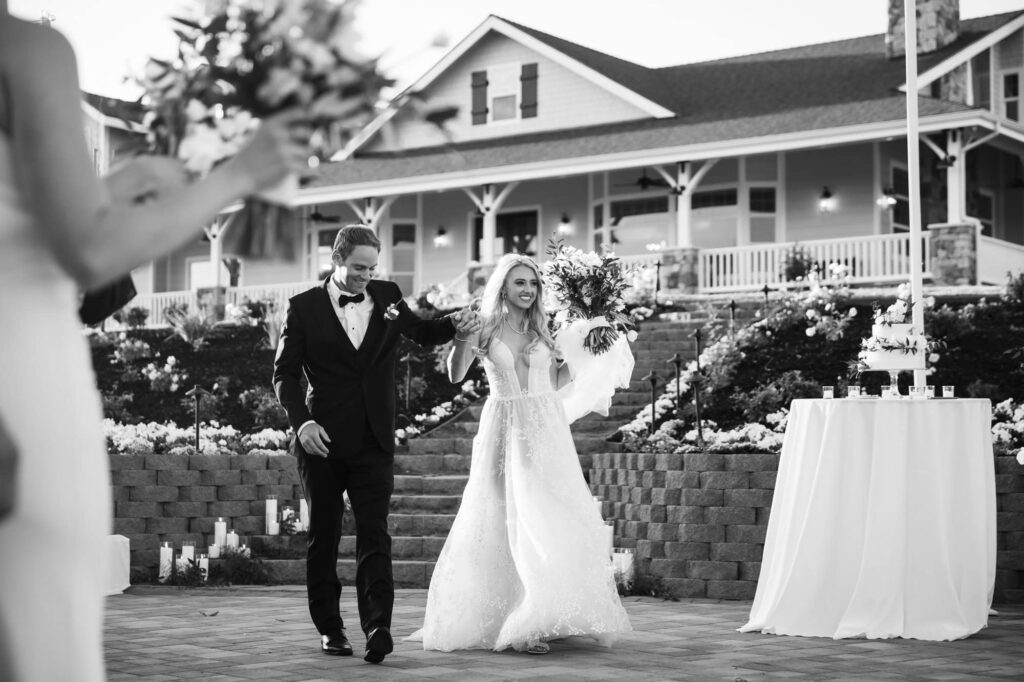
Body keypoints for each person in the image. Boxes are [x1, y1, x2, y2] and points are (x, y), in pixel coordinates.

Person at [0, 8, 311, 681]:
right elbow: (90, 250)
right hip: (21, 376)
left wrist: (107, 188)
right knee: (40, 626)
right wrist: (235, 175)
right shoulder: (26, 48)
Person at [272, 224, 479, 664]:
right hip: (321, 442)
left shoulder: (387, 296)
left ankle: (378, 626)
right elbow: (284, 375)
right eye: (358, 267)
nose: (366, 275)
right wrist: (302, 423)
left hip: (374, 440)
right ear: (336, 260)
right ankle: (330, 629)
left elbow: (421, 332)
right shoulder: (303, 308)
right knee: (324, 536)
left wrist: (455, 323)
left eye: (372, 267)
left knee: (375, 533)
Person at [410, 253, 632, 654]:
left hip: (546, 428)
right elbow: (455, 374)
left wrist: (588, 355)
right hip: (505, 427)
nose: (528, 290)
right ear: (503, 287)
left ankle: (549, 612)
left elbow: (557, 380)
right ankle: (518, 621)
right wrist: (462, 336)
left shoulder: (546, 329)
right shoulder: (485, 327)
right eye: (519, 283)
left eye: (533, 283)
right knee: (507, 515)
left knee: (549, 516)